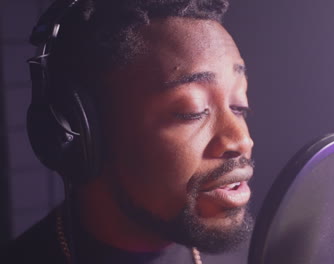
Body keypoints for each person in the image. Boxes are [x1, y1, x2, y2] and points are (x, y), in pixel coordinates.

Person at [2, 0, 255, 263]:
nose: (241, 139)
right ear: (85, 131)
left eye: (239, 105)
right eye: (192, 111)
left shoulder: (265, 250)